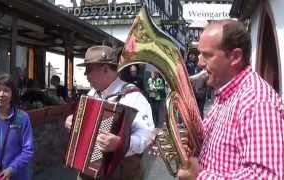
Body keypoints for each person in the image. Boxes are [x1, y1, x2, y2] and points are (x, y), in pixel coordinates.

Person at [178, 20, 284, 179]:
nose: (199, 62)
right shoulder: (226, 93)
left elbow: (267, 176)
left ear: (235, 56)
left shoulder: (257, 102)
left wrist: (199, 177)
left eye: (207, 55)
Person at [65, 45, 155, 180]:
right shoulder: (92, 93)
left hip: (122, 172)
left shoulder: (132, 97)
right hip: (88, 171)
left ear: (105, 69)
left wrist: (121, 144)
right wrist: (73, 121)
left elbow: (147, 136)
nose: (86, 75)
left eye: (89, 69)